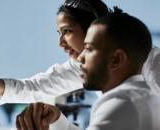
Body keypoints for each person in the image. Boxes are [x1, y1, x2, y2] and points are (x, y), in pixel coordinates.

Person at [16, 8, 160, 130]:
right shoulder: (142, 99)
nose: (80, 58)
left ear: (116, 59)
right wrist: (58, 121)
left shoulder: (121, 103)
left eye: (89, 49)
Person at [0, 0, 110, 105]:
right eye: (58, 33)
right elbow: (33, 88)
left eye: (66, 31)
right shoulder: (80, 67)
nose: (60, 43)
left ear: (93, 29)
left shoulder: (129, 71)